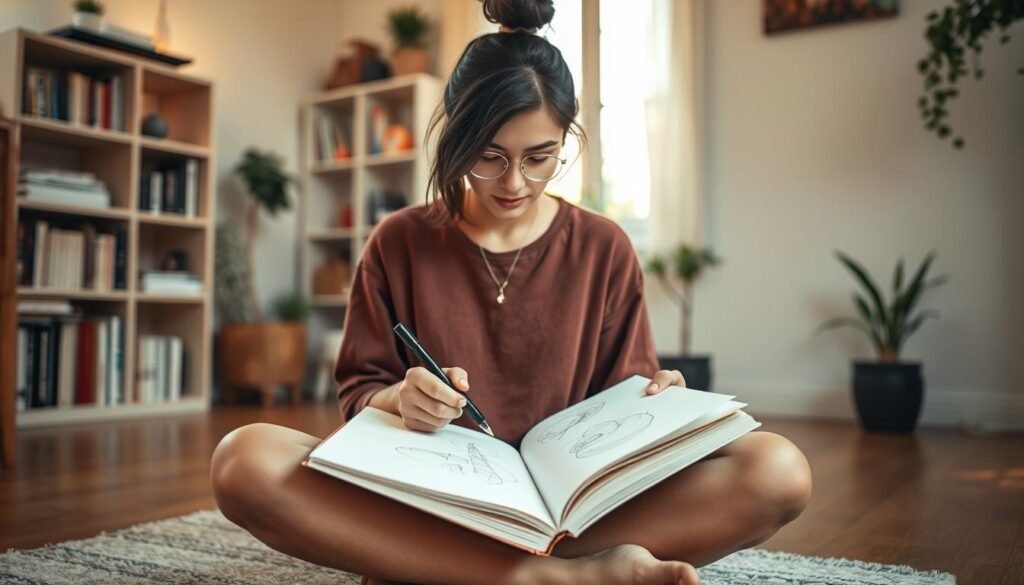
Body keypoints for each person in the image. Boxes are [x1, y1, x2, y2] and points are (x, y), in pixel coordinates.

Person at [210, 1, 812, 583]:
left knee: (778, 470)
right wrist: (398, 398)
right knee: (244, 460)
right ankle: (543, 578)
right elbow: (358, 392)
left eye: (540, 156)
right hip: (429, 503)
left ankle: (447, 572)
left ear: (566, 139)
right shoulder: (398, 242)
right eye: (489, 157)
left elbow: (627, 397)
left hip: (574, 514)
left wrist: (660, 406)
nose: (515, 183)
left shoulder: (603, 247)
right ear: (454, 136)